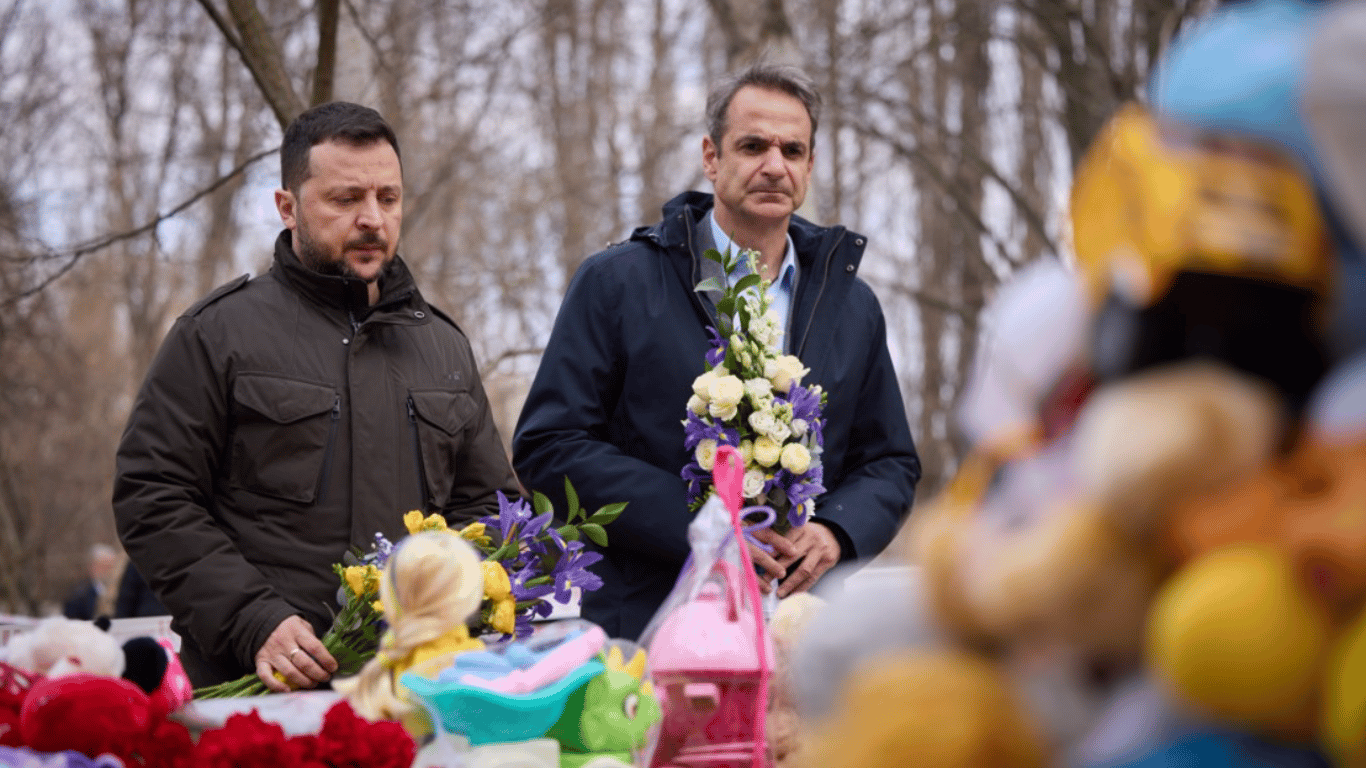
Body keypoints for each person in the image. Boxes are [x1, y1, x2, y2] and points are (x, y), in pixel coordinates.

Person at [113, 101, 520, 690]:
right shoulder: (218, 333)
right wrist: (253, 621)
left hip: (412, 689)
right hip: (258, 688)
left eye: (388, 198)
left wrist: (447, 612)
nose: (372, 219)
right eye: (345, 199)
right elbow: (153, 494)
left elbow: (489, 510)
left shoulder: (443, 346)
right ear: (288, 207)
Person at [513, 63, 922, 640]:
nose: (774, 166)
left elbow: (890, 463)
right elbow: (549, 446)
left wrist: (838, 531)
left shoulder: (853, 306)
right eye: (753, 146)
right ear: (711, 157)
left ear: (810, 164)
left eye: (792, 150)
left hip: (803, 634)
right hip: (651, 631)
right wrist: (703, 526)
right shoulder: (618, 283)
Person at [62, 543, 118, 621]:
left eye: (111, 566)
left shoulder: (121, 591)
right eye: (103, 565)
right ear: (92, 566)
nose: (108, 570)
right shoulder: (79, 594)